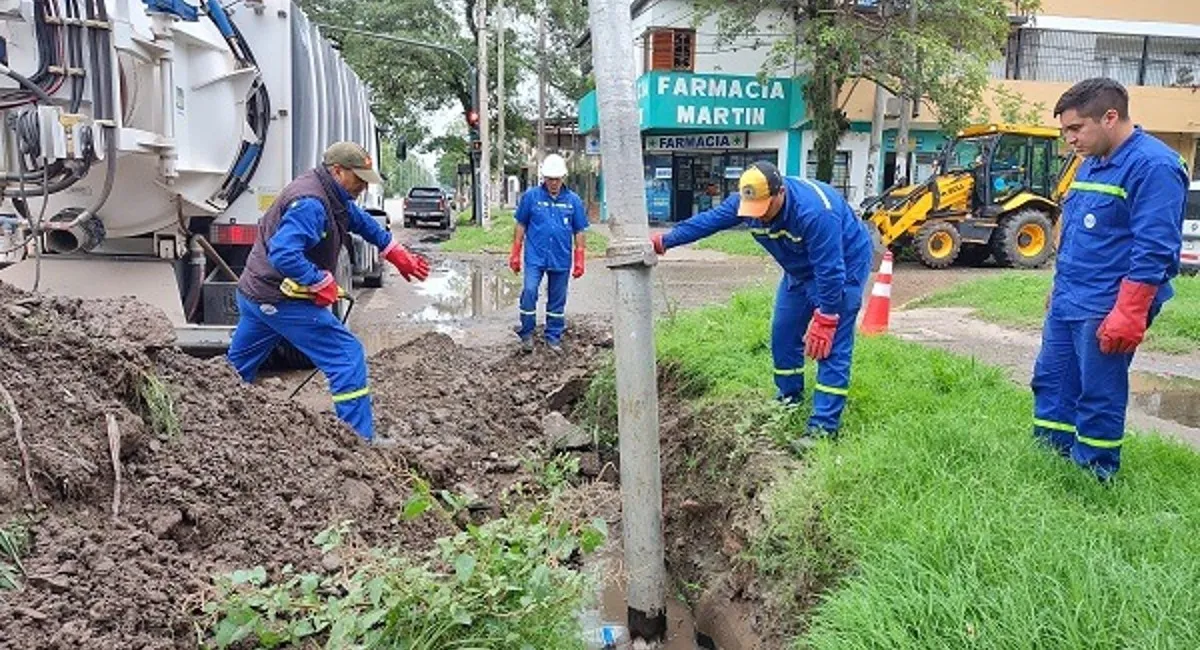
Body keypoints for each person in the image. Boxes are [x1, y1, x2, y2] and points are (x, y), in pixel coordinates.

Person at [1031, 78, 1188, 480]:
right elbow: (1079, 235)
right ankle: (1050, 462)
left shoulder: (1154, 166)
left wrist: (1130, 312)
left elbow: (1155, 248)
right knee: (1052, 381)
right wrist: (1056, 288)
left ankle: (1093, 476)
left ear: (1110, 117)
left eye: (1075, 128)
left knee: (1097, 392)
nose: (1069, 139)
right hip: (1071, 296)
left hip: (1109, 302)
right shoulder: (1093, 161)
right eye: (1065, 130)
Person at [651, 161, 874, 439]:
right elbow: (708, 222)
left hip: (843, 267)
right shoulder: (749, 202)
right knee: (783, 333)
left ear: (780, 193)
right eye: (752, 211)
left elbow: (831, 269)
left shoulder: (815, 213)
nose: (760, 217)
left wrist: (827, 317)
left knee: (829, 347)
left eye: (764, 209)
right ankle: (789, 400)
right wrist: (665, 241)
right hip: (798, 271)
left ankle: (823, 429)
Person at [227, 142, 431, 443]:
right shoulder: (311, 203)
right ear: (337, 171)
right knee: (347, 356)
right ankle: (359, 442)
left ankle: (210, 426)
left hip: (255, 294)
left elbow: (358, 220)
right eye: (358, 177)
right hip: (279, 299)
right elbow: (283, 255)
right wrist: (318, 281)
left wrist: (392, 249)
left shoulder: (331, 193)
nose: (363, 184)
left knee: (232, 372)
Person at [508, 153, 589, 353]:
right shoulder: (531, 197)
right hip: (535, 257)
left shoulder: (573, 201)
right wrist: (515, 252)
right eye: (550, 179)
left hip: (561, 258)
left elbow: (579, 230)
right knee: (529, 291)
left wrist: (579, 258)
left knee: (557, 298)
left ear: (563, 178)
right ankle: (527, 333)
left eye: (557, 179)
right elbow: (521, 224)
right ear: (544, 178)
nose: (553, 183)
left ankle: (553, 337)